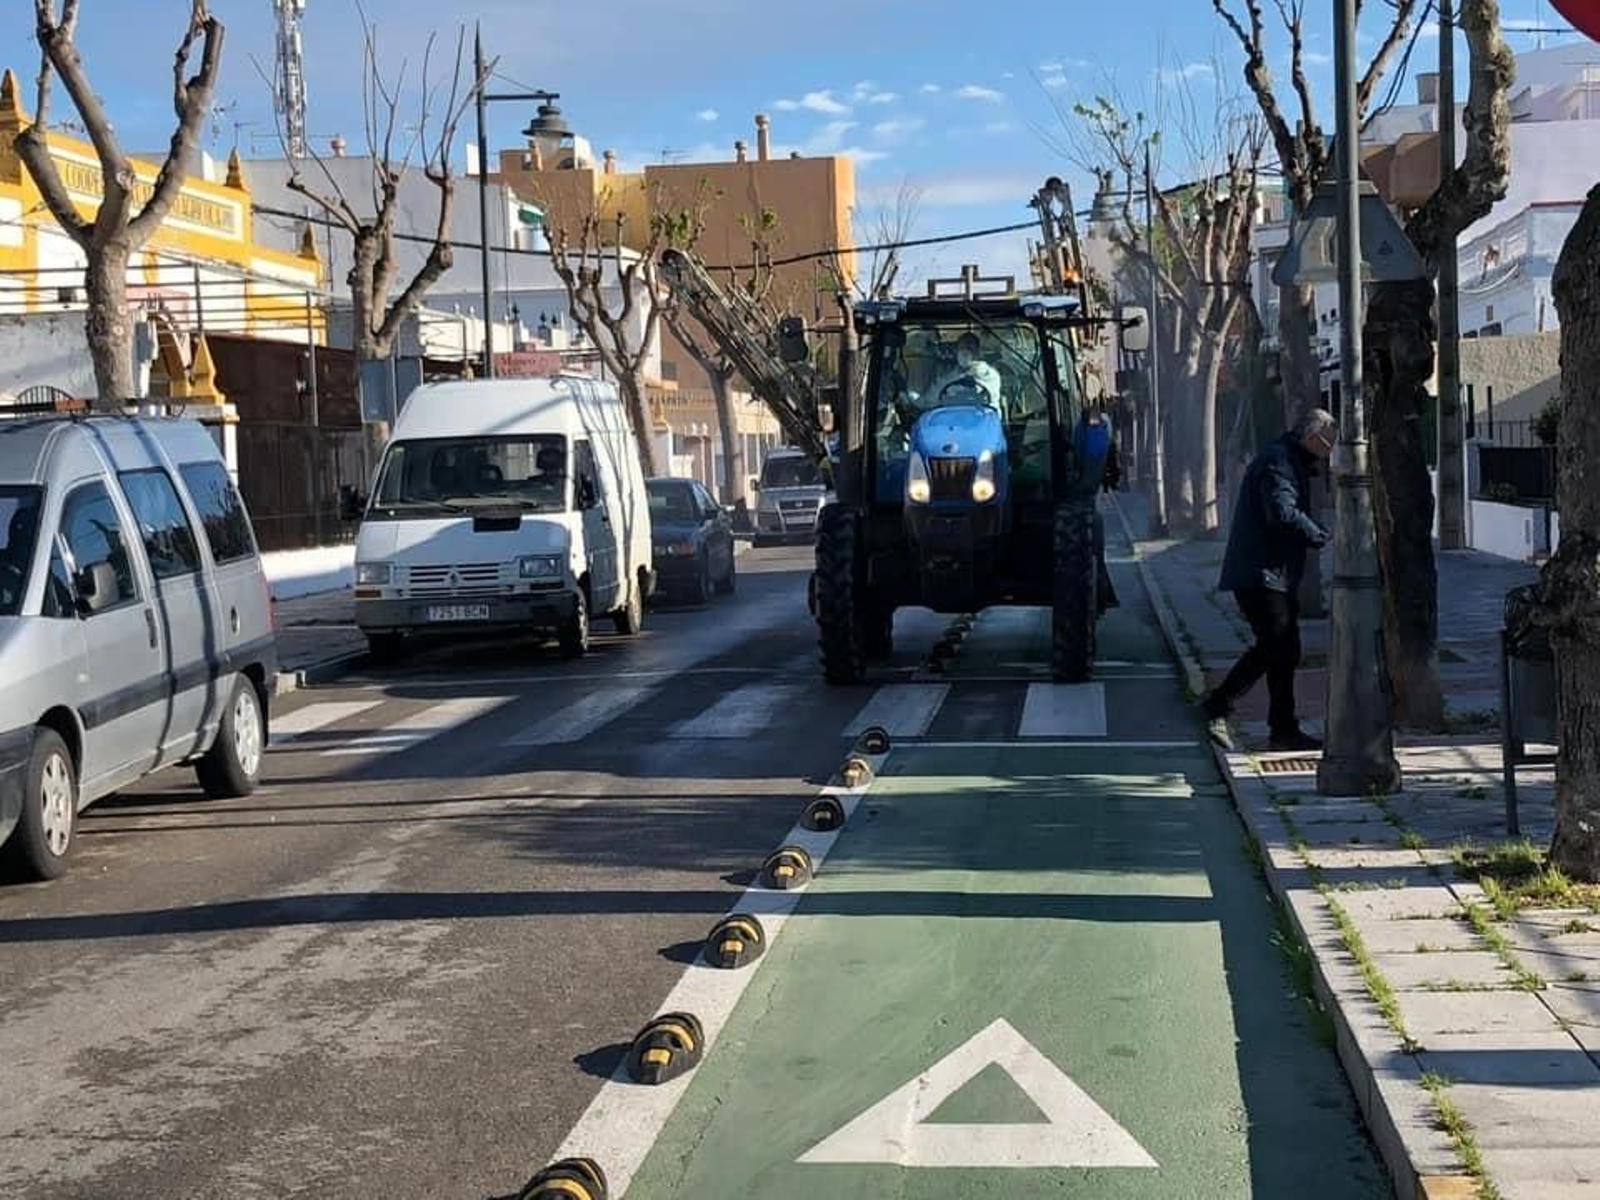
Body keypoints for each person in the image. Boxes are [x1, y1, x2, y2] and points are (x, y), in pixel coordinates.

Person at [1199, 408, 1336, 752]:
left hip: (1271, 574)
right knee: (1276, 647)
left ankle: (1282, 728)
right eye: (1327, 445)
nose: (1328, 454)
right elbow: (1282, 512)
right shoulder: (1280, 462)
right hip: (1262, 574)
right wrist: (1317, 533)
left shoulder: (1287, 458)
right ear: (1311, 438)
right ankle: (1221, 704)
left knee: (1284, 650)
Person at [924, 332, 1002, 410]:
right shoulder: (947, 377)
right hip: (950, 415)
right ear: (956, 351)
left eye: (970, 348)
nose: (966, 353)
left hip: (981, 415)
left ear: (978, 352)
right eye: (962, 348)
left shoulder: (990, 375)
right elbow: (930, 399)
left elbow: (992, 401)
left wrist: (972, 374)